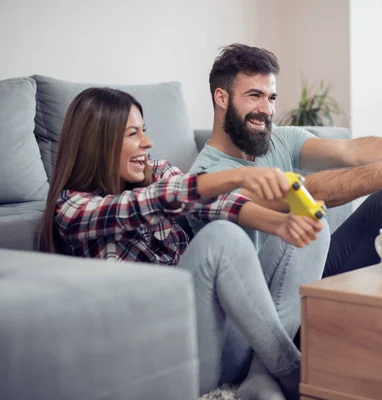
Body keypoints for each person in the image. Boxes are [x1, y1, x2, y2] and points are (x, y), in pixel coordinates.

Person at [38, 87, 330, 400]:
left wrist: (282, 224)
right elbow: (151, 202)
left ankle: (260, 377)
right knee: (222, 237)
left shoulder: (155, 171)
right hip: (168, 356)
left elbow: (213, 203)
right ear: (99, 143)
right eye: (133, 134)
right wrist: (238, 177)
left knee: (314, 229)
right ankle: (292, 372)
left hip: (222, 340)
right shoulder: (72, 210)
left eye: (144, 131)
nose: (147, 142)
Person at [189, 42, 382, 277]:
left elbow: (350, 151)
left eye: (272, 98)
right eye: (254, 95)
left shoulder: (279, 138)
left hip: (311, 262)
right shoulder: (207, 178)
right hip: (273, 294)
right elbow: (307, 193)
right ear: (221, 97)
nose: (266, 109)